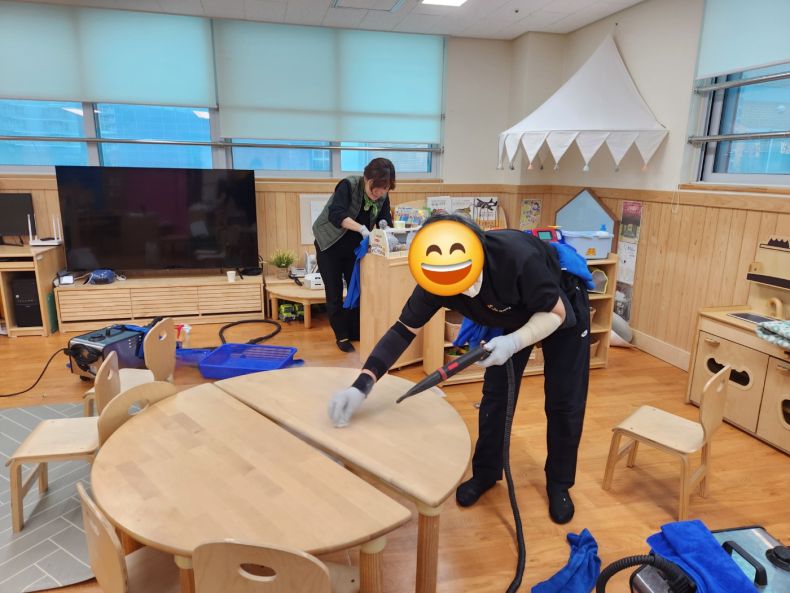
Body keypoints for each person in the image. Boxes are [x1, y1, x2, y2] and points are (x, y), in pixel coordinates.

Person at [327, 213, 591, 524]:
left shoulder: (516, 259)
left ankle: (559, 484)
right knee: (496, 395)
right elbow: (402, 331)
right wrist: (361, 385)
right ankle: (486, 473)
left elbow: (557, 313)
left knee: (564, 399)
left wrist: (514, 342)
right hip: (512, 312)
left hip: (558, 306)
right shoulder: (436, 276)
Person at [312, 158, 395, 352]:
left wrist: (386, 233)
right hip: (329, 245)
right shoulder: (349, 185)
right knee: (334, 292)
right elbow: (336, 214)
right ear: (367, 179)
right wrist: (362, 229)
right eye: (377, 188)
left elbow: (384, 220)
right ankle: (341, 336)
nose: (380, 193)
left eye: (385, 189)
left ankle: (355, 331)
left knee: (357, 290)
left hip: (354, 250)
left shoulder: (382, 195)